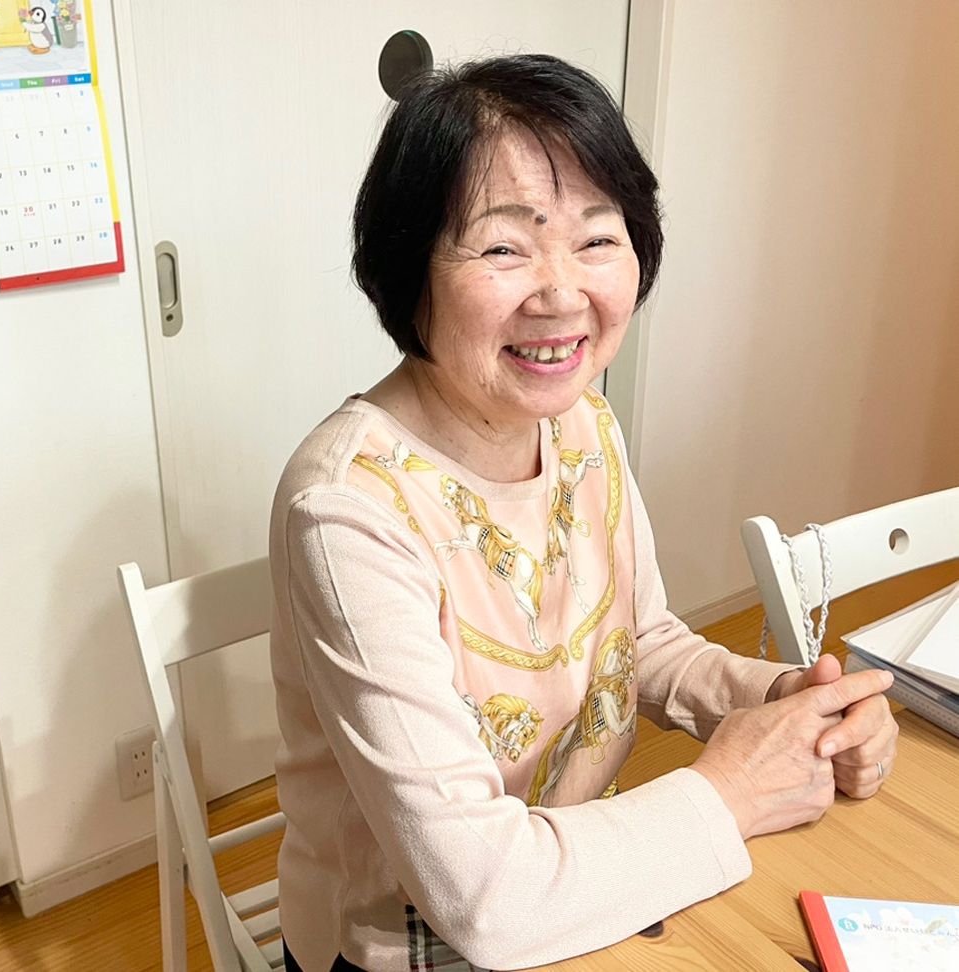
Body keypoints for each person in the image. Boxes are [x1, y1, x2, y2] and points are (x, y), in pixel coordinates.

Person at [268, 54, 899, 972]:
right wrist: (730, 790)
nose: (563, 293)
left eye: (598, 239)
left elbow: (642, 644)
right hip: (415, 941)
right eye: (502, 249)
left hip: (579, 887)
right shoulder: (348, 510)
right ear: (408, 270)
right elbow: (482, 897)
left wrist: (783, 706)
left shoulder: (579, 422)